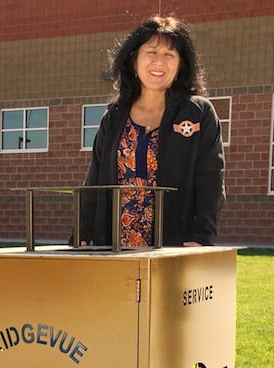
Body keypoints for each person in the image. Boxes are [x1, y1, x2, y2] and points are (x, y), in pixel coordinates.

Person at [80, 15, 225, 247]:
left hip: (172, 248)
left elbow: (211, 181)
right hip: (112, 247)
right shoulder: (114, 117)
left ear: (180, 66)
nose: (159, 62)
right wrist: (82, 235)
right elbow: (93, 182)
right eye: (151, 52)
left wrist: (202, 238)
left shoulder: (198, 113)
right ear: (134, 60)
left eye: (169, 55)